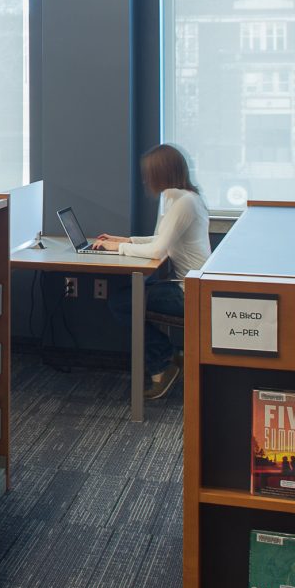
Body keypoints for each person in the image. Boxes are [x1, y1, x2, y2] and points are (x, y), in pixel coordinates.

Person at [94, 143, 210, 400]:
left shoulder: (184, 203)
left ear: (162, 173)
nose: (146, 179)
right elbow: (161, 240)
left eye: (149, 173)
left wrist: (118, 247)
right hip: (187, 284)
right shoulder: (179, 198)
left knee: (122, 302)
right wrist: (126, 240)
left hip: (190, 292)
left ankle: (162, 362)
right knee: (125, 299)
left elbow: (158, 252)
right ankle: (167, 356)